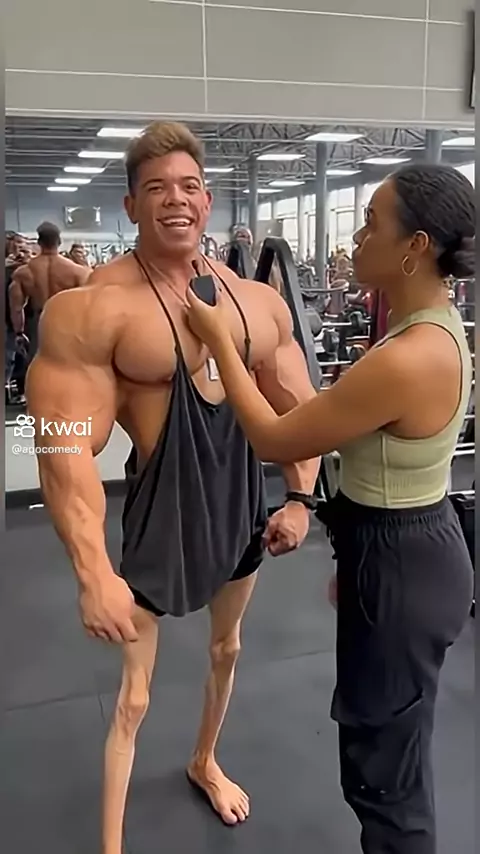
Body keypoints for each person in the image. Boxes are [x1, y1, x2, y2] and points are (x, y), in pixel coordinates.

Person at [26, 121, 320, 854]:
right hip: (163, 518)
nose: (176, 200)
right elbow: (62, 446)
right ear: (131, 207)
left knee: (228, 649)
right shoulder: (95, 309)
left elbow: (298, 404)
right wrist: (93, 574)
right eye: (156, 188)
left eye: (189, 186)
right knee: (133, 696)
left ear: (208, 200)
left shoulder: (255, 302)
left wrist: (298, 497)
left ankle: (204, 761)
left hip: (239, 509)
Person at [185, 163, 475, 854]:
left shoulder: (409, 357)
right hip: (398, 550)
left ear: (415, 247)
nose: (357, 238)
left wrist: (221, 340)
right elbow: (347, 438)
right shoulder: (424, 329)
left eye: (371, 224)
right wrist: (355, 557)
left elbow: (275, 438)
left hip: (405, 563)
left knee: (387, 783)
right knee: (386, 752)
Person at [9, 221, 91, 363]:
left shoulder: (23, 273)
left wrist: (19, 333)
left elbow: (16, 308)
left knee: (39, 365)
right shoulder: (78, 272)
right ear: (59, 242)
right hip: (67, 323)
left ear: (39, 242)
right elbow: (89, 306)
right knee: (69, 365)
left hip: (39, 324)